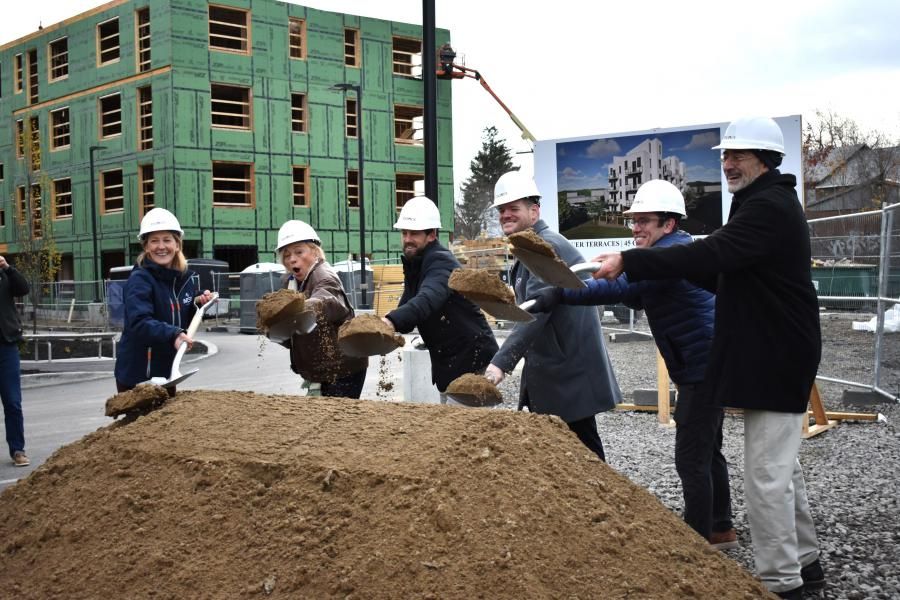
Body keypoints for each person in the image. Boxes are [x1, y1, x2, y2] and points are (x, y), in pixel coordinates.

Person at [593, 117, 824, 599]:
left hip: (777, 354)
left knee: (765, 477)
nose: (726, 164)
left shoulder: (769, 208)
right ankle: (806, 563)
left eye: (736, 155)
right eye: (724, 155)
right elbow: (726, 278)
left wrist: (629, 260)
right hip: (771, 351)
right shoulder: (760, 205)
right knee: (783, 469)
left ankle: (781, 583)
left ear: (764, 159)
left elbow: (713, 255)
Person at [526, 179, 736, 548]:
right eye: (633, 221)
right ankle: (720, 527)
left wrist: (558, 293)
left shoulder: (667, 257)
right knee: (708, 449)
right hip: (708, 364)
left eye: (644, 221)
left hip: (702, 369)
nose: (635, 229)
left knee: (690, 458)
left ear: (668, 224)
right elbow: (636, 290)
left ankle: (699, 546)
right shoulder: (670, 252)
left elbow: (616, 288)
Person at [484, 171, 621, 461]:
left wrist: (500, 363)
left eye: (514, 209)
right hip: (557, 365)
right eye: (502, 210)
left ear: (534, 212)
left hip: (569, 369)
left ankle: (607, 502)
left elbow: (535, 313)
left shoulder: (546, 248)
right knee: (565, 450)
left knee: (583, 451)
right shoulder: (528, 246)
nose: (505, 215)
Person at [382, 196, 498, 399]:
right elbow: (410, 305)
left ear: (431, 235)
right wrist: (383, 327)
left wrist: (390, 321)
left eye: (414, 233)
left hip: (472, 360)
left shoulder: (440, 262)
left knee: (467, 427)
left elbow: (427, 300)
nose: (408, 239)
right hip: (451, 361)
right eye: (404, 233)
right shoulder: (416, 262)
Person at [114, 208, 214, 395]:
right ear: (146, 247)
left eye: (167, 240)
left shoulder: (184, 280)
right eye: (154, 241)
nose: (161, 246)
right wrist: (174, 335)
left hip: (166, 373)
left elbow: (179, 312)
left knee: (166, 424)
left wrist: (197, 303)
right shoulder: (140, 280)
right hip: (139, 376)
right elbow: (140, 322)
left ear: (177, 244)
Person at [275, 220, 368, 398]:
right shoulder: (293, 283)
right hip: (323, 371)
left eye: (299, 251)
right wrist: (275, 326)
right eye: (286, 255)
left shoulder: (324, 276)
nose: (292, 259)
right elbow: (297, 333)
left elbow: (328, 300)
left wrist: (299, 308)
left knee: (337, 423)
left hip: (343, 370)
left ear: (315, 252)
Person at [0, 254, 30, 467]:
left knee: (13, 402)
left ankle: (17, 450)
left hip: (6, 346)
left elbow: (23, 289)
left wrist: (8, 268)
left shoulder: (4, 274)